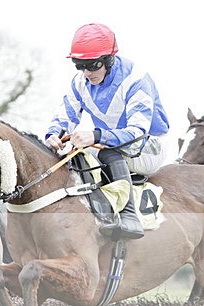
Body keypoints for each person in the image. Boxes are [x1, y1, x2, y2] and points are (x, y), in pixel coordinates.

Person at [43, 23, 169, 240]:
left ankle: (129, 217)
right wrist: (53, 135)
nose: (86, 72)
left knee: (104, 151)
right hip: (110, 143)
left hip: (148, 146)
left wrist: (97, 136)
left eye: (92, 66)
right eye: (79, 65)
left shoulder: (136, 79)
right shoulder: (80, 82)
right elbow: (66, 116)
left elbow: (137, 133)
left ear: (108, 60)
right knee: (70, 153)